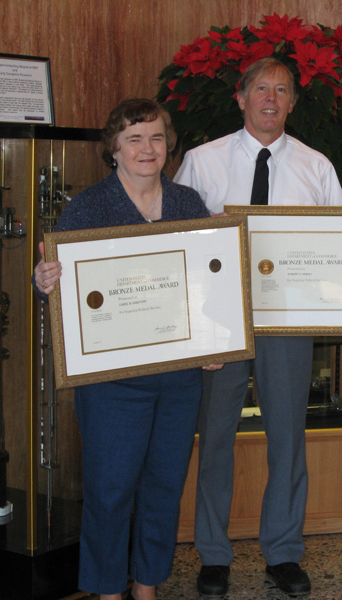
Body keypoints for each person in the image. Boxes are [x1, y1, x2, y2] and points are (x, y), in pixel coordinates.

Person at [174, 57, 342, 598]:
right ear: (241, 98)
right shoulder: (202, 162)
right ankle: (213, 554)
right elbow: (178, 239)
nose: (271, 98)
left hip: (289, 324)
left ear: (293, 103)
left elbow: (341, 244)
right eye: (261, 89)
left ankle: (284, 552)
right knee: (217, 437)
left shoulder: (317, 167)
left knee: (288, 439)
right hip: (219, 325)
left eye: (282, 90)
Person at [33, 99, 216, 600]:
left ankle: (147, 585)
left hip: (178, 377)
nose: (147, 148)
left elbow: (207, 285)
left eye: (156, 137)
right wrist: (41, 279)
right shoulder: (89, 207)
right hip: (112, 382)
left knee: (163, 488)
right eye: (134, 138)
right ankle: (108, 590)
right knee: (110, 493)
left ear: (169, 145)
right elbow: (57, 282)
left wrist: (216, 340)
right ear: (113, 149)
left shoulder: (187, 203)